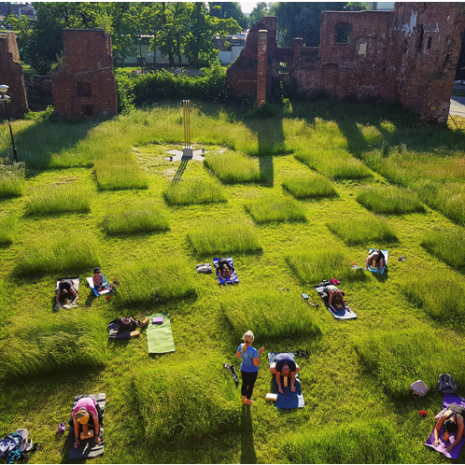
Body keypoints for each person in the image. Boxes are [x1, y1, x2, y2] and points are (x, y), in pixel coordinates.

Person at [235, 330, 264, 406]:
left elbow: (237, 356)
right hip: (252, 372)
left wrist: (243, 355)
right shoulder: (254, 351)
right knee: (250, 386)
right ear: (252, 339)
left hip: (244, 370)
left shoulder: (241, 346)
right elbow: (256, 363)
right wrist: (260, 353)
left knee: (244, 384)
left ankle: (243, 400)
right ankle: (248, 401)